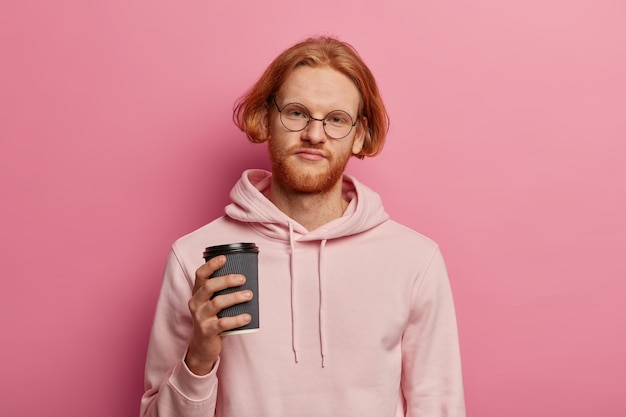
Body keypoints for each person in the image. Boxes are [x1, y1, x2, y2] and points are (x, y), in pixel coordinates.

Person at [140, 36, 465, 417]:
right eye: (296, 113)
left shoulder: (414, 261)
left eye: (336, 120)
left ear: (358, 135)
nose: (314, 134)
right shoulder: (198, 256)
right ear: (265, 118)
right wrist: (198, 357)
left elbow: (438, 407)